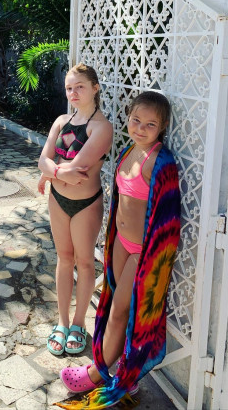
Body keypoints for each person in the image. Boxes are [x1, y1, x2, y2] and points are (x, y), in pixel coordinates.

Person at [57, 91, 181, 409]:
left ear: (162, 127)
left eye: (150, 124)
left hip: (142, 252)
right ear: (128, 117)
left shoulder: (161, 161)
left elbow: (167, 220)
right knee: (114, 305)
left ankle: (98, 373)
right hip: (121, 244)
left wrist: (150, 258)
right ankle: (125, 370)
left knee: (119, 313)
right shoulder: (128, 151)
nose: (140, 128)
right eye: (136, 120)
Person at [38, 63, 113, 356]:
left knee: (84, 262)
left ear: (95, 88)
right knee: (64, 259)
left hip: (86, 204)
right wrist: (56, 172)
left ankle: (79, 323)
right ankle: (62, 322)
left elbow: (78, 169)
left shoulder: (102, 128)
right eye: (69, 88)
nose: (73, 93)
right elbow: (43, 160)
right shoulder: (61, 121)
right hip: (57, 200)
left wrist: (50, 171)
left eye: (80, 86)